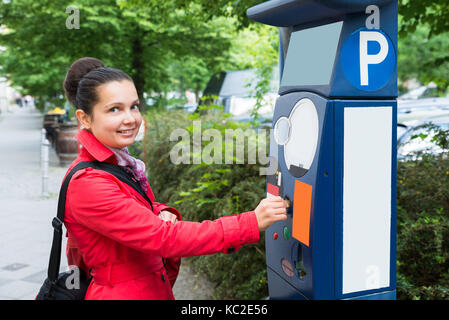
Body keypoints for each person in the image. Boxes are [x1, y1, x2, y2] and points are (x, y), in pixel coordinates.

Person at [61, 57, 288, 300]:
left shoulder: (115, 161)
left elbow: (125, 209)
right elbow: (164, 238)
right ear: (84, 118)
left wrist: (160, 209)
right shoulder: (87, 182)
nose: (130, 119)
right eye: (114, 109)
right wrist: (250, 222)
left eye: (134, 106)